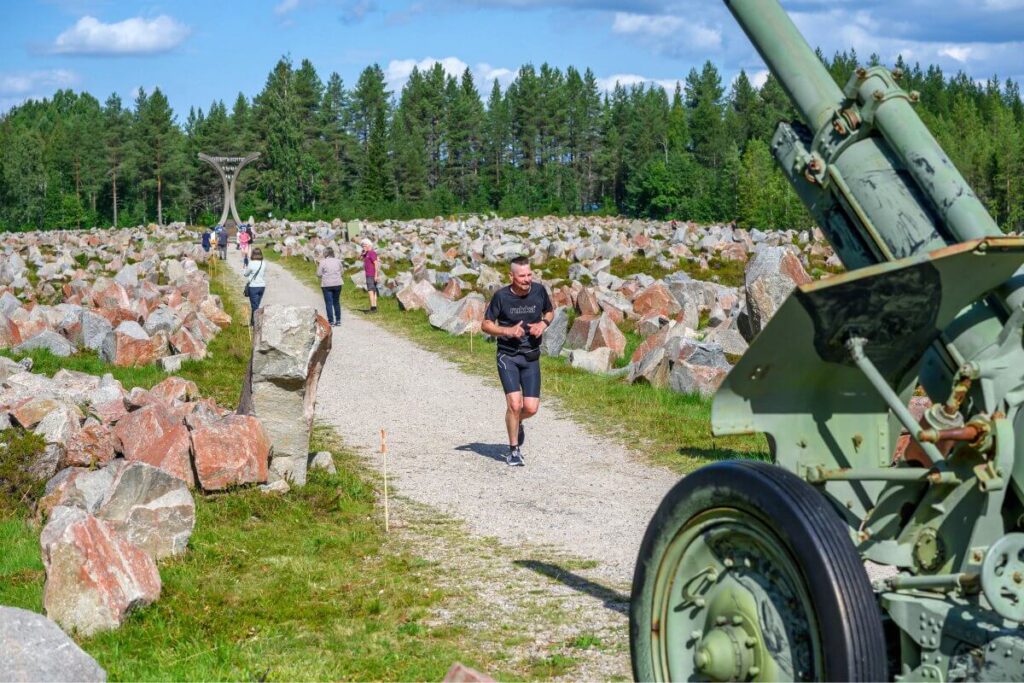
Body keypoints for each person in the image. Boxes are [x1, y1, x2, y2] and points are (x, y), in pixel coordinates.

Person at [480, 256, 554, 467]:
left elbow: (550, 310)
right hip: (508, 356)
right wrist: (507, 330)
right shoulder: (501, 297)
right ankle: (514, 450)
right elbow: (485, 324)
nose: (527, 279)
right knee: (514, 404)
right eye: (522, 276)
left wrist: (544, 323)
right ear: (511, 276)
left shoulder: (539, 291)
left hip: (531, 356)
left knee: (530, 408)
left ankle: (518, 420)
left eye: (529, 274)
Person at [317, 247, 343, 327]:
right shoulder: (338, 261)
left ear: (325, 254)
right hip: (338, 283)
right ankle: (338, 320)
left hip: (326, 285)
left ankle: (331, 321)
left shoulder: (322, 262)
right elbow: (342, 272)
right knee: (336, 302)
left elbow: (319, 274)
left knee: (329, 303)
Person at [242, 247, 267, 326]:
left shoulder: (251, 263)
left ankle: (256, 323)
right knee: (256, 305)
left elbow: (246, 274)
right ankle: (253, 322)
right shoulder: (263, 263)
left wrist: (244, 269)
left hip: (253, 287)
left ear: (252, 254)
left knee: (254, 306)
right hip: (262, 286)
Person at [360, 238, 380, 313]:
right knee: (373, 290)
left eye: (364, 245)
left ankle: (373, 308)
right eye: (362, 246)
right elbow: (360, 258)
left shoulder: (372, 253)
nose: (363, 247)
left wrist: (376, 275)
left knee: (370, 290)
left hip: (371, 274)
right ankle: (374, 306)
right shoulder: (367, 253)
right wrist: (363, 252)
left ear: (368, 245)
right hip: (369, 274)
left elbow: (376, 263)